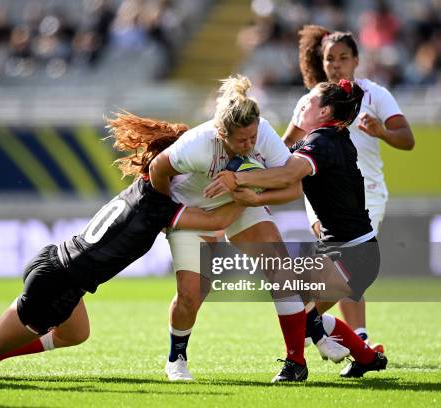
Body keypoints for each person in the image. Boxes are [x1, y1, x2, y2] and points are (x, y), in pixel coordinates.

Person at [0, 114, 247, 380]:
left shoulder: (142, 190)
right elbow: (215, 221)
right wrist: (250, 191)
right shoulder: (158, 207)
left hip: (58, 266)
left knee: (74, 334)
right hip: (58, 282)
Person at [148, 74, 348, 383]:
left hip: (238, 204)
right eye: (242, 140)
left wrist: (255, 198)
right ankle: (176, 359)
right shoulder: (199, 145)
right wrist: (166, 212)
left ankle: (299, 359)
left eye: (252, 137)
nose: (249, 145)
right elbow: (157, 169)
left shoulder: (262, 132)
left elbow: (293, 188)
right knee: (191, 294)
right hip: (195, 210)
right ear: (221, 133)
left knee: (280, 268)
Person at [205, 79, 388, 379]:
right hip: (352, 250)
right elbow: (288, 177)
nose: (302, 104)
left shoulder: (322, 141)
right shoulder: (328, 138)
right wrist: (257, 194)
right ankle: (365, 356)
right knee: (304, 311)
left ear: (325, 110)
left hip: (353, 254)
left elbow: (289, 173)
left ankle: (296, 365)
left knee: (290, 294)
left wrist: (237, 180)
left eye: (309, 101)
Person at [283, 25, 414, 350]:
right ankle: (351, 339)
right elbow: (289, 142)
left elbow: (407, 140)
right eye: (330, 58)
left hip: (367, 190)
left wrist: (382, 132)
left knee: (346, 267)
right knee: (341, 265)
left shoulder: (375, 95)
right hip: (323, 193)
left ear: (357, 59)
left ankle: (320, 330)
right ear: (322, 61)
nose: (336, 64)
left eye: (343, 57)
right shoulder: (314, 100)